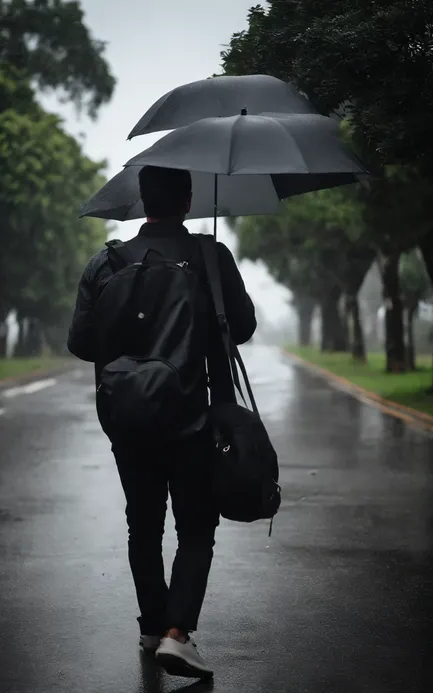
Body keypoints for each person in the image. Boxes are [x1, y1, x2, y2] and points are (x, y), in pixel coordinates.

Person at [68, 166, 256, 679]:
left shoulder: (105, 263)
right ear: (189, 198)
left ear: (140, 199)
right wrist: (211, 279)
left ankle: (153, 626)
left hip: (128, 418)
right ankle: (178, 633)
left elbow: (80, 344)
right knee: (196, 527)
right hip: (194, 417)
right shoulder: (209, 257)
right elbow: (242, 328)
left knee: (143, 524)